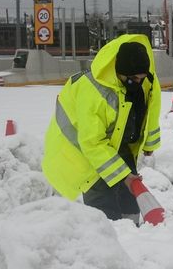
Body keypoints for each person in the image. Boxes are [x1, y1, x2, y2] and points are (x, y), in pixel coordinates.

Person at [42, 34, 161, 224]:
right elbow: (92, 142)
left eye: (142, 78)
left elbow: (151, 106)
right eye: (134, 78)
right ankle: (108, 239)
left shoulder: (141, 82)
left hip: (110, 142)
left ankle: (132, 235)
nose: (139, 82)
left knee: (129, 195)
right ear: (121, 73)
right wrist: (123, 176)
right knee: (102, 200)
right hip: (80, 152)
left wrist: (149, 144)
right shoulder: (94, 93)